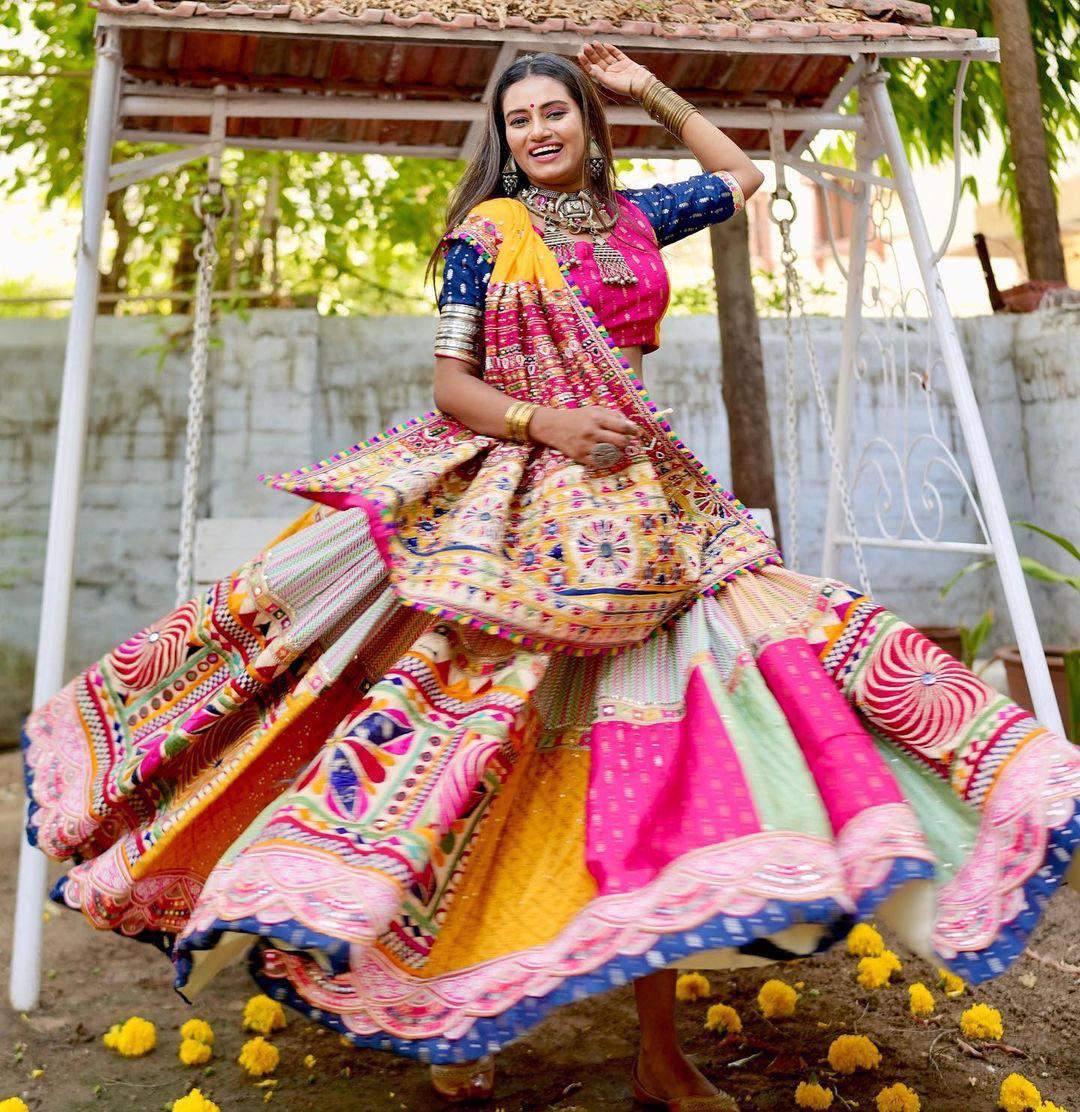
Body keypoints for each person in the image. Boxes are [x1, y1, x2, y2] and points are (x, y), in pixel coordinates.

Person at [21, 43, 1079, 1112]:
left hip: (650, 523)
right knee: (477, 768)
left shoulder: (633, 222)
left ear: (585, 121)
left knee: (653, 779)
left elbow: (745, 176)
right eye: (518, 118)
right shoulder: (486, 236)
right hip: (510, 525)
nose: (537, 130)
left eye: (555, 112)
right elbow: (450, 385)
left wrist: (654, 91)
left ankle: (658, 1058)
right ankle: (449, 1022)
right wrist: (549, 422)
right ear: (505, 136)